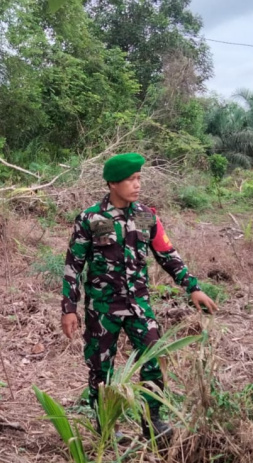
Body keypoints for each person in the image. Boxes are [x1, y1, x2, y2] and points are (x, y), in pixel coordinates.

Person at [61, 153, 217, 440]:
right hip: (102, 309)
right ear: (112, 183)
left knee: (155, 358)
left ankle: (152, 421)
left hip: (139, 305)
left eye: (139, 178)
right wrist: (68, 307)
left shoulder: (147, 216)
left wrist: (193, 287)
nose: (137, 184)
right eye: (131, 179)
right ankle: (105, 424)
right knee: (100, 369)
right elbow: (74, 265)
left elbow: (168, 255)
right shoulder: (91, 218)